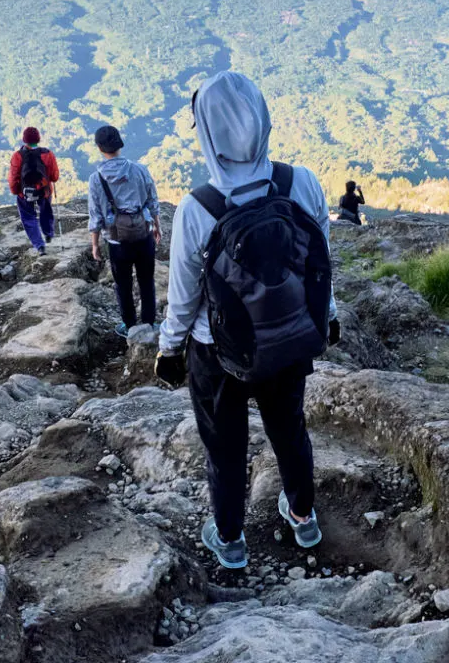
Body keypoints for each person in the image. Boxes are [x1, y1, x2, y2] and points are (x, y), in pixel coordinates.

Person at [155, 71, 341, 570]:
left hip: (218, 352)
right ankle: (303, 516)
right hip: (288, 337)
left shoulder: (198, 209)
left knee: (225, 446)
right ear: (262, 118)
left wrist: (168, 351)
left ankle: (231, 539)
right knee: (290, 430)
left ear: (206, 133)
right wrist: (329, 317)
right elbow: (320, 260)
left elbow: (183, 297)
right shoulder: (300, 182)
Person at [89, 125, 162, 338]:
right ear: (120, 144)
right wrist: (157, 226)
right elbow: (152, 201)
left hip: (116, 241)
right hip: (143, 234)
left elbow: (96, 216)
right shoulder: (140, 169)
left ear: (99, 147)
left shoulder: (96, 179)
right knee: (146, 280)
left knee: (123, 284)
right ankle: (149, 322)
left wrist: (95, 245)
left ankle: (129, 326)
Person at [9, 127, 60, 255]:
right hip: (44, 190)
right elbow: (54, 176)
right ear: (38, 139)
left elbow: (13, 177)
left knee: (28, 217)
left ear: (24, 140)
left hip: (24, 193)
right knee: (45, 211)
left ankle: (39, 246)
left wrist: (16, 191)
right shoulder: (48, 154)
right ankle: (48, 233)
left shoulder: (17, 156)